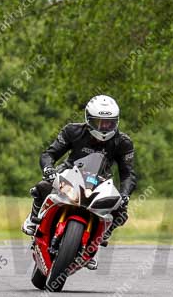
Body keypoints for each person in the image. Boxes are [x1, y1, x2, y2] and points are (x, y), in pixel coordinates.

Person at [22, 95, 137, 263]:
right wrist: (49, 169)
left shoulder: (123, 142)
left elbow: (128, 173)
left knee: (120, 211)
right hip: (69, 173)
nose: (104, 127)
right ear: (89, 119)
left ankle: (96, 241)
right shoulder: (72, 131)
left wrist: (125, 194)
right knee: (43, 186)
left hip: (101, 181)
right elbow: (50, 153)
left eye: (109, 122)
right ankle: (33, 219)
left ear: (116, 121)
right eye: (99, 122)